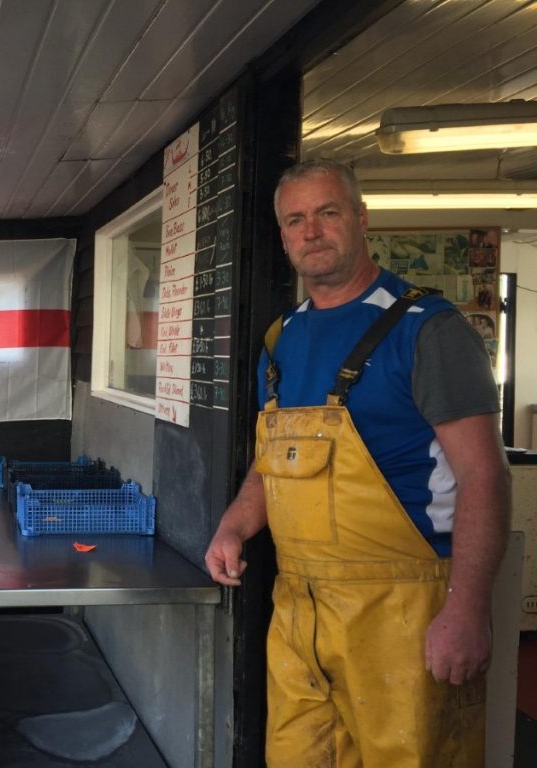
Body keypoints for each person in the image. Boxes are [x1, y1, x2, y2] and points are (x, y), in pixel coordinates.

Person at [204, 159, 510, 767]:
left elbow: (485, 476)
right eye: (296, 220)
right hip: (298, 610)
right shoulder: (281, 337)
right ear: (284, 236)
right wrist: (235, 526)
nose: (311, 231)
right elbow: (277, 458)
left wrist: (469, 608)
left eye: (327, 213)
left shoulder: (428, 330)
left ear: (361, 218)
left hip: (403, 614)